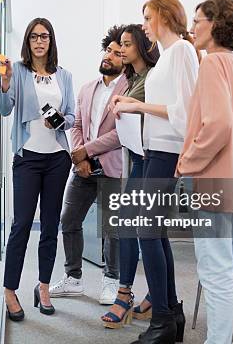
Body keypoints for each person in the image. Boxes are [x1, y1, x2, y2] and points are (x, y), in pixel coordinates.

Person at [109, 0, 199, 343]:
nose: (144, 24)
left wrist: (139, 104)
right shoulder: (168, 56)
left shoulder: (181, 51)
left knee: (147, 232)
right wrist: (136, 106)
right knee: (155, 233)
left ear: (163, 16)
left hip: (167, 151)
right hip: (154, 150)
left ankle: (161, 319)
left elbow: (186, 111)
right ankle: (170, 315)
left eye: (147, 17)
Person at [177, 0, 233, 344]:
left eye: (198, 20)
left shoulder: (212, 64)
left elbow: (218, 125)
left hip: (212, 183)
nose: (192, 27)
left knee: (215, 274)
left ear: (216, 24)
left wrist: (188, 162)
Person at [0, 17, 75, 321]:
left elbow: (72, 117)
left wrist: (59, 119)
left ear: (51, 41)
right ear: (28, 42)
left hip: (57, 157)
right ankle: (9, 290)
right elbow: (5, 109)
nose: (40, 41)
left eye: (44, 36)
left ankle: (43, 286)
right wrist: (4, 85)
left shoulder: (65, 76)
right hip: (28, 157)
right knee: (21, 226)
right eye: (34, 37)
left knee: (50, 227)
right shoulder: (18, 71)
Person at [48, 25, 129, 304]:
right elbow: (78, 125)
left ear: (125, 59)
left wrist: (85, 152)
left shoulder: (130, 90)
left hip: (113, 169)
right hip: (82, 171)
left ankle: (111, 280)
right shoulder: (86, 88)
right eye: (108, 50)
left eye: (118, 53)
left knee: (112, 230)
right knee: (69, 220)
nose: (109, 56)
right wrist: (79, 156)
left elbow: (121, 135)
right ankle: (73, 278)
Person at [100, 24, 159, 327]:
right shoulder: (132, 77)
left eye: (125, 44)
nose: (121, 49)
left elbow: (160, 112)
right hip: (137, 158)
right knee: (145, 231)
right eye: (118, 45)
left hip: (149, 160)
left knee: (135, 226)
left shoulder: (154, 76)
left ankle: (126, 294)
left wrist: (128, 105)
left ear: (141, 46)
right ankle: (156, 295)